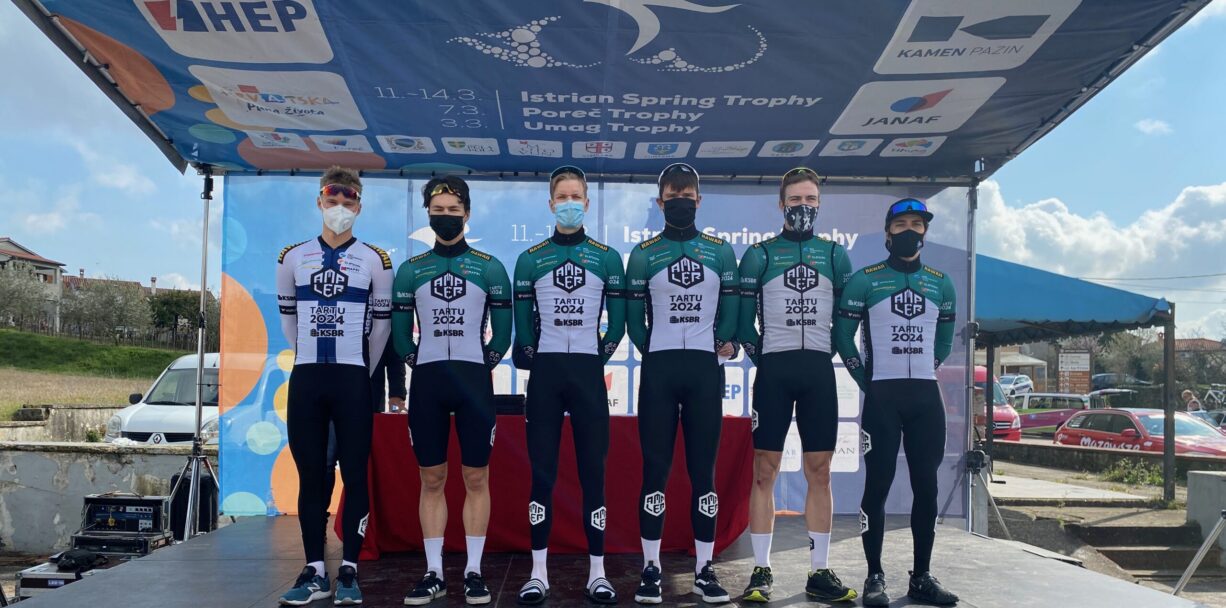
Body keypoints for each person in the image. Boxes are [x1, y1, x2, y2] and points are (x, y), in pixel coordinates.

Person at [737, 167, 856, 603]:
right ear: (781, 204)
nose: (803, 206)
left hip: (818, 373)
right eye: (795, 200)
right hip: (774, 371)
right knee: (763, 471)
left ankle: (819, 571)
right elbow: (742, 324)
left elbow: (845, 323)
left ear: (819, 204)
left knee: (820, 472)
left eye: (810, 200)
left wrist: (829, 355)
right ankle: (761, 570)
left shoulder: (835, 255)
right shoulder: (760, 254)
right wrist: (765, 360)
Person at [833, 197, 959, 606]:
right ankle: (874, 576)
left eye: (917, 224)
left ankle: (921, 576)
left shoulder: (941, 282)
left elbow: (944, 340)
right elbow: (842, 336)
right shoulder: (865, 280)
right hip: (882, 397)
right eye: (901, 224)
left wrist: (926, 367)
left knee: (927, 487)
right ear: (888, 232)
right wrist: (864, 379)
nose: (909, 231)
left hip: (925, 398)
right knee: (878, 485)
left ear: (925, 231)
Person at [276, 167, 392, 606]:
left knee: (355, 475)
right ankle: (313, 569)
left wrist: (361, 371)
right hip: (308, 376)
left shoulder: (376, 260)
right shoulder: (292, 257)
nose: (340, 208)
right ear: (319, 202)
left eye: (349, 201)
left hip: (353, 377)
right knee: (312, 476)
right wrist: (309, 358)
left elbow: (381, 330)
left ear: (359, 206)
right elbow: (289, 322)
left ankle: (349, 570)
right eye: (332, 200)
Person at [393, 176, 512, 606]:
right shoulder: (411, 269)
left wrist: (479, 366)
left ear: (467, 213)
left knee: (476, 476)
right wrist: (421, 365)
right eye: (438, 210)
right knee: (432, 478)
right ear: (428, 213)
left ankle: (474, 571)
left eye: (453, 210)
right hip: (428, 382)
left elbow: (503, 335)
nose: (446, 217)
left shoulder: (489, 267)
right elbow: (401, 337)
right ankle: (434, 572)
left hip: (474, 382)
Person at [512, 165, 626, 605]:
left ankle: (598, 573)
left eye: (576, 196)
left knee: (593, 475)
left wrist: (597, 356)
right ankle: (537, 573)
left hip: (587, 375)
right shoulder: (531, 259)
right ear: (550, 203)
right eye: (562, 197)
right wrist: (537, 356)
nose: (569, 203)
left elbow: (618, 326)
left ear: (587, 203)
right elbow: (523, 331)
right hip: (545, 375)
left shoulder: (606, 258)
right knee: (541, 475)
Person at [627, 162, 739, 605]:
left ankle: (704, 569)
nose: (680, 201)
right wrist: (654, 351)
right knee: (654, 471)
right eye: (672, 196)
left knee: (703, 474)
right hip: (659, 371)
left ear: (699, 200)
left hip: (704, 373)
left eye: (687, 195)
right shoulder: (643, 254)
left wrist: (724, 343)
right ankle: (650, 568)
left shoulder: (720, 251)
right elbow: (634, 322)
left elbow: (731, 310)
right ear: (660, 202)